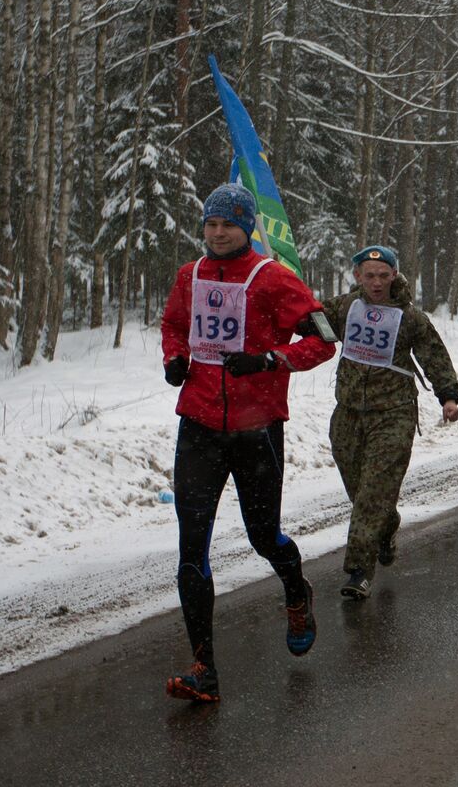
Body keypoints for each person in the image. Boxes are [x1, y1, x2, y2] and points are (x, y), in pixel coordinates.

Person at [159, 183, 337, 702]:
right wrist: (174, 358)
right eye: (211, 225)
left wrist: (270, 360)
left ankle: (295, 589)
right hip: (198, 426)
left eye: (228, 225)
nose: (217, 234)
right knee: (191, 546)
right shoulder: (189, 276)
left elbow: (322, 341)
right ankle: (203, 668)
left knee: (263, 536)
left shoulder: (274, 279)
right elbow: (173, 325)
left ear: (246, 227)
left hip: (256, 430)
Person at [321, 245, 458, 601]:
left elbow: (434, 355)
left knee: (372, 494)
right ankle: (386, 525)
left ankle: (358, 571)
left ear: (394, 275)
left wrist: (448, 397)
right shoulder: (344, 308)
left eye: (383, 275)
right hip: (348, 414)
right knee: (361, 491)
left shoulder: (410, 317)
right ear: (357, 276)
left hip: (394, 414)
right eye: (369, 275)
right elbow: (310, 322)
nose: (376, 283)